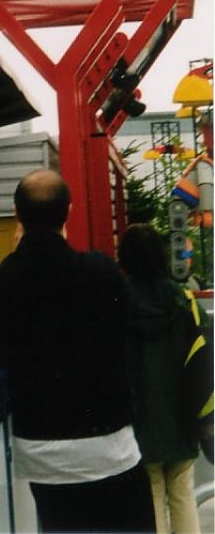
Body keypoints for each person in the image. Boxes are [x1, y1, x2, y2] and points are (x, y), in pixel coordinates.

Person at [0, 169, 156, 534]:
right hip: (109, 445)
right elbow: (125, 321)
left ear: (17, 215)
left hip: (40, 450)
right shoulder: (102, 272)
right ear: (68, 212)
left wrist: (15, 258)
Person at [118, 222, 210, 534]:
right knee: (183, 495)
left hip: (137, 421)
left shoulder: (118, 304)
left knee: (151, 495)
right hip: (182, 417)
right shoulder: (185, 302)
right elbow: (203, 359)